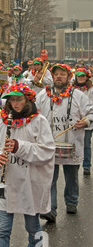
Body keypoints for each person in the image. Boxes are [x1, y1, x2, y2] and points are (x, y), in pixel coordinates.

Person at [0, 82, 55, 247]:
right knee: (2, 229)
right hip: (7, 182)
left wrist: (19, 147)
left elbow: (48, 151)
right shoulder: (3, 121)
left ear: (27, 100)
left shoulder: (39, 121)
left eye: (19, 99)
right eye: (12, 100)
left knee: (34, 228)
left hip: (30, 183)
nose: (15, 104)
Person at [36, 63, 93, 221]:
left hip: (72, 144)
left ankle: (72, 201)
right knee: (50, 178)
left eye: (62, 74)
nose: (58, 77)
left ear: (69, 77)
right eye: (56, 74)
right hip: (49, 145)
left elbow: (91, 111)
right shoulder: (43, 95)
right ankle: (51, 209)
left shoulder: (79, 96)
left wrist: (86, 121)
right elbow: (34, 114)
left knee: (71, 177)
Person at [72, 67, 93, 175]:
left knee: (86, 145)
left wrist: (87, 119)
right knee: (73, 143)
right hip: (74, 122)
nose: (80, 78)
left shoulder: (91, 89)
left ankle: (86, 166)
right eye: (79, 76)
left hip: (87, 121)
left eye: (82, 76)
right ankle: (73, 163)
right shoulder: (71, 88)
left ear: (86, 77)